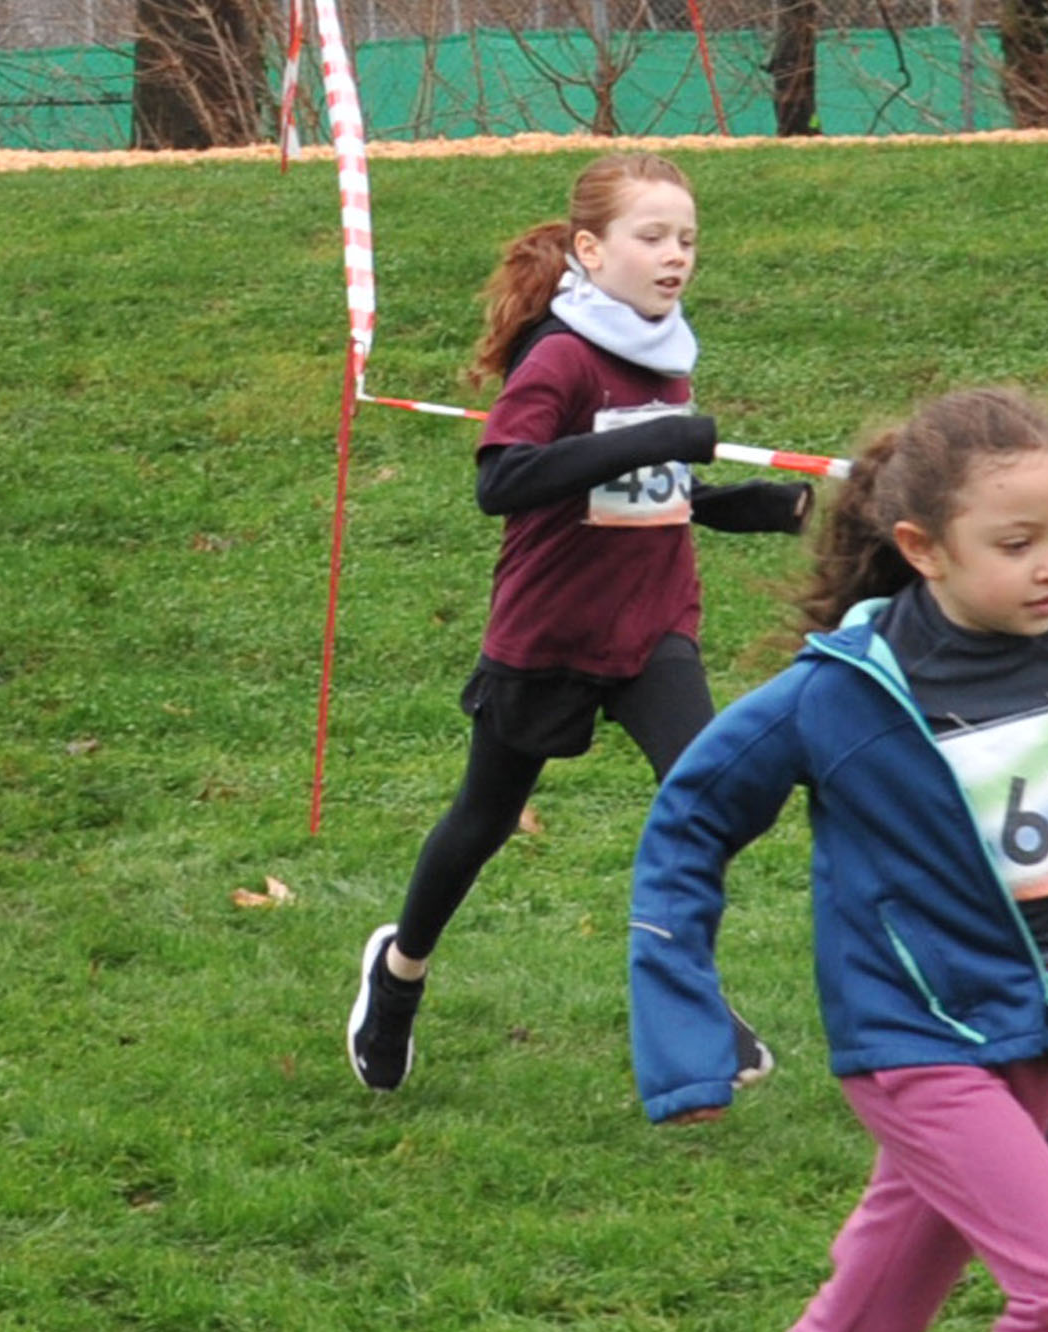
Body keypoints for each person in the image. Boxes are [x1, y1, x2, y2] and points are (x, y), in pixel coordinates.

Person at [628, 386, 1048, 1332]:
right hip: (914, 1040)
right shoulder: (843, 694)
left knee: (877, 1307)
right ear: (923, 549)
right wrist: (681, 1027)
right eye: (1017, 545)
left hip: (1036, 1039)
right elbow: (689, 820)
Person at [347, 152, 812, 1092]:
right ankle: (398, 975)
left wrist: (734, 504)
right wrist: (660, 438)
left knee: (707, 800)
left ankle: (690, 1002)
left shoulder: (666, 347)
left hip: (651, 629)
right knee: (482, 820)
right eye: (652, 237)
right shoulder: (560, 356)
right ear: (592, 251)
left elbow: (643, 486)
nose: (674, 255)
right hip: (550, 630)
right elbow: (504, 481)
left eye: (686, 238)